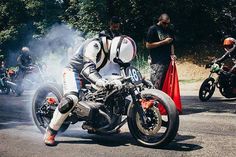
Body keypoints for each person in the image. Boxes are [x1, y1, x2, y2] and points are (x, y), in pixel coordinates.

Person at [44, 35, 137, 146]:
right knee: (71, 99)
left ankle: (99, 125)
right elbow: (87, 69)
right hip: (75, 72)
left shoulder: (113, 50)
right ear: (115, 51)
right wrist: (101, 82)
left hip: (95, 73)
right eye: (118, 58)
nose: (118, 61)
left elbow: (124, 68)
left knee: (115, 92)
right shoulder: (94, 45)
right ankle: (51, 130)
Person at [145, 13, 175, 89]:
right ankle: (152, 99)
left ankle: (162, 100)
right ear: (160, 20)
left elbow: (172, 44)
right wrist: (164, 42)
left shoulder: (169, 30)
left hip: (167, 61)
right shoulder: (153, 29)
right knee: (156, 84)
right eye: (164, 23)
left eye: (168, 23)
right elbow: (148, 45)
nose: (166, 25)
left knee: (165, 84)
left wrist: (173, 54)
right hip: (156, 61)